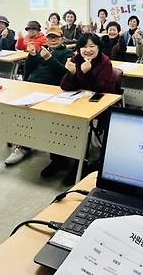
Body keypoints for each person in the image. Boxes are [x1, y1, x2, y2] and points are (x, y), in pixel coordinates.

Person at [5, 27, 73, 166]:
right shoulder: (41, 49)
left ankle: (36, 148)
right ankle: (23, 145)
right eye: (50, 37)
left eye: (55, 37)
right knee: (18, 111)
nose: (52, 40)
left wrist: (49, 58)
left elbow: (65, 74)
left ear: (61, 39)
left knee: (36, 115)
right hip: (31, 87)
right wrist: (31, 56)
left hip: (52, 90)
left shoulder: (67, 53)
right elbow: (28, 70)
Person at [55, 33, 118, 184]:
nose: (87, 50)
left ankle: (82, 163)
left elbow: (101, 89)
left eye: (92, 46)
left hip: (100, 107)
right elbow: (65, 86)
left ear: (98, 47)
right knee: (57, 119)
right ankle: (57, 159)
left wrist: (85, 72)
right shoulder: (76, 59)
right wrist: (71, 73)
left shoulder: (105, 62)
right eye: (84, 46)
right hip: (77, 103)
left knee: (85, 127)